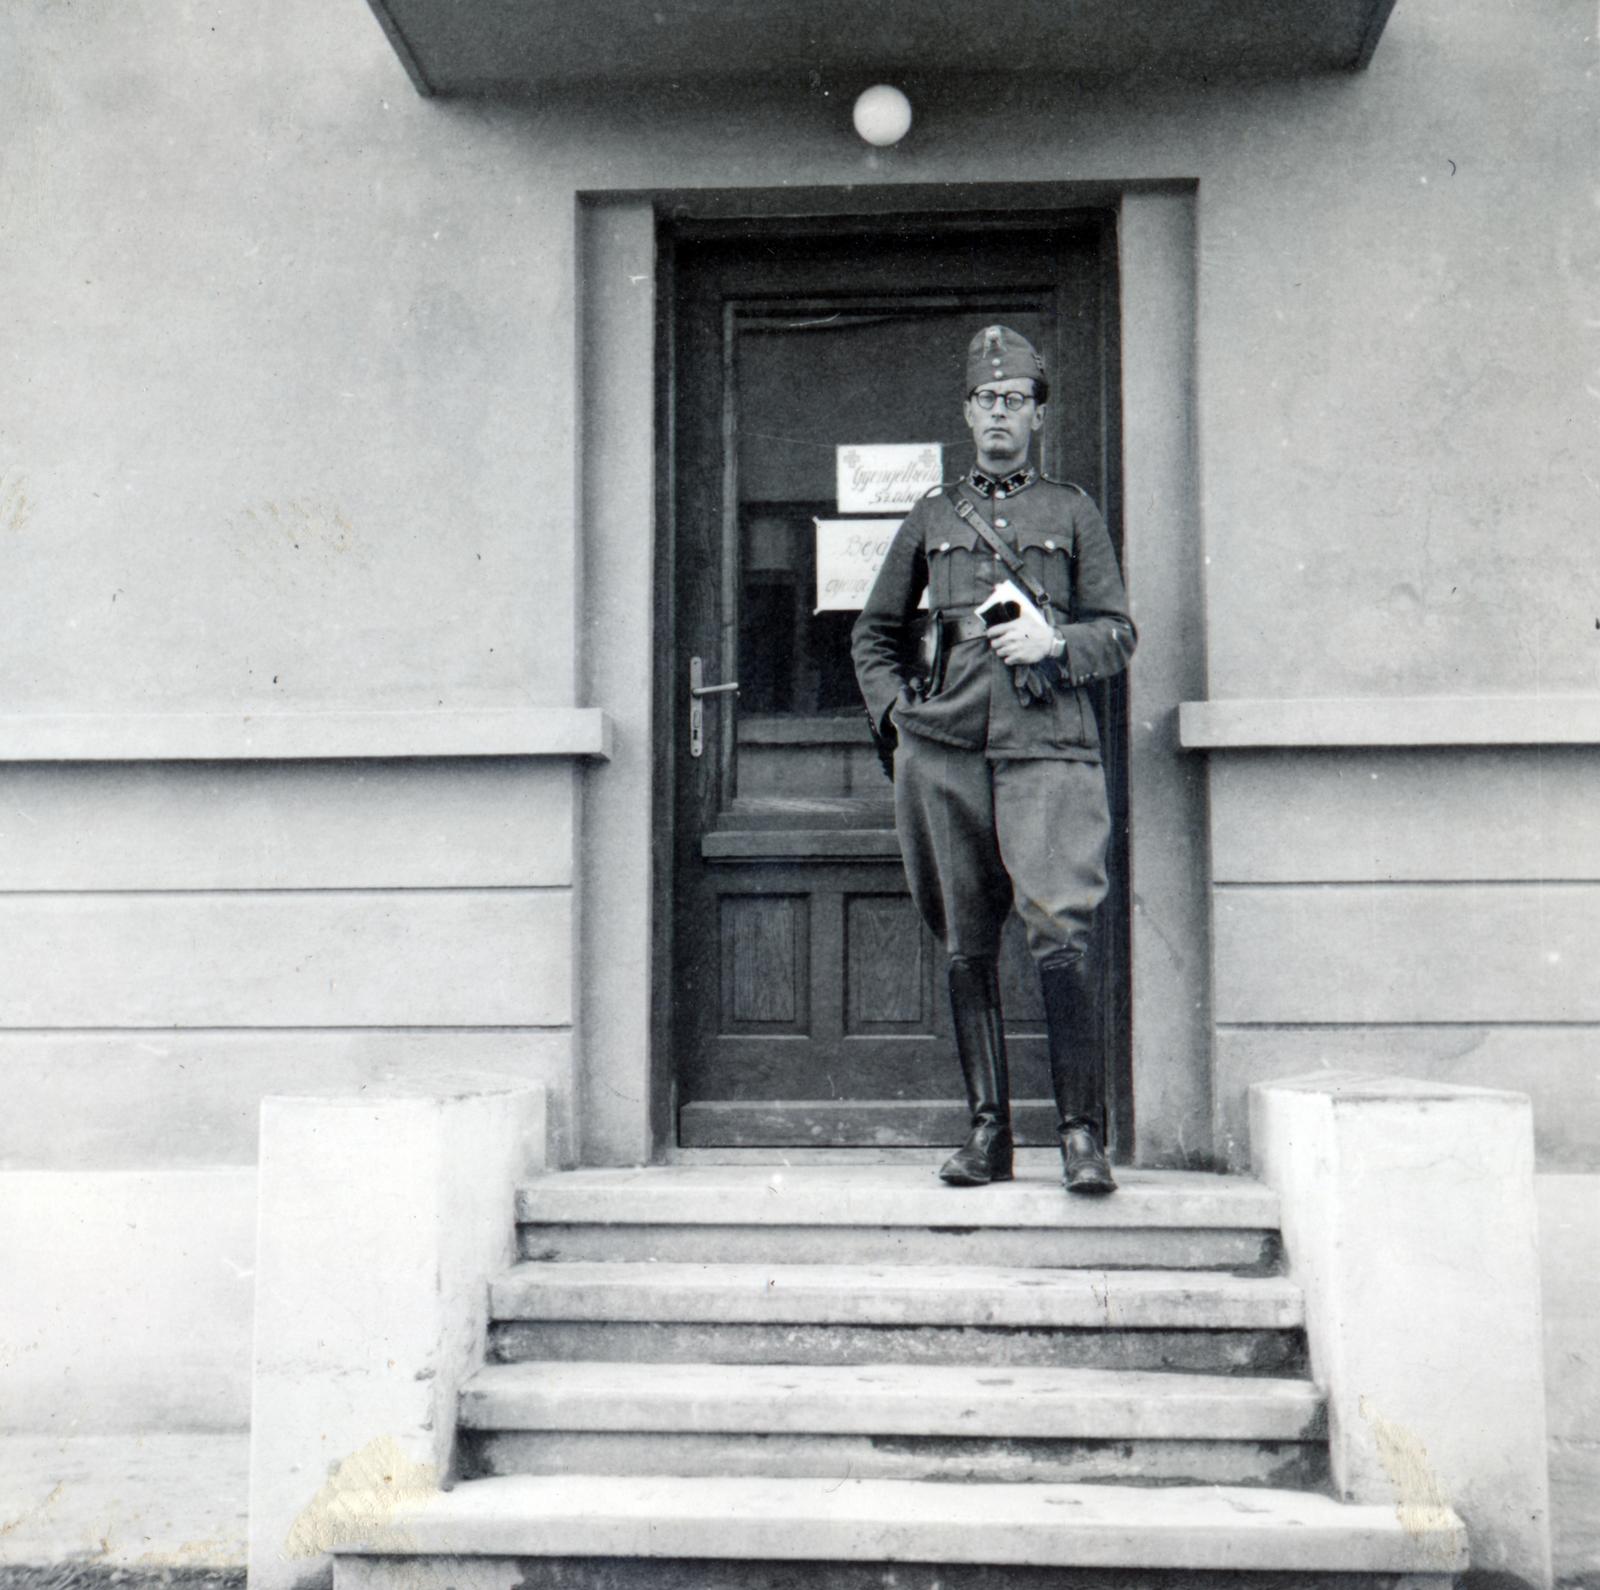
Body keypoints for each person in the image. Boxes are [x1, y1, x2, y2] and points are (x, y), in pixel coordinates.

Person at [851, 324, 1136, 1195]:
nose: (1000, 415)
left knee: (1062, 933)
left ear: (1038, 416)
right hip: (946, 755)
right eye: (986, 400)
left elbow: (1119, 633)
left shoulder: (1071, 511)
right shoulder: (934, 514)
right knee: (965, 940)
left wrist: (1056, 642)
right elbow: (873, 634)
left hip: (1048, 747)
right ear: (967, 413)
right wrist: (900, 719)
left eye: (1016, 401)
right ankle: (989, 1138)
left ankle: (1081, 1139)